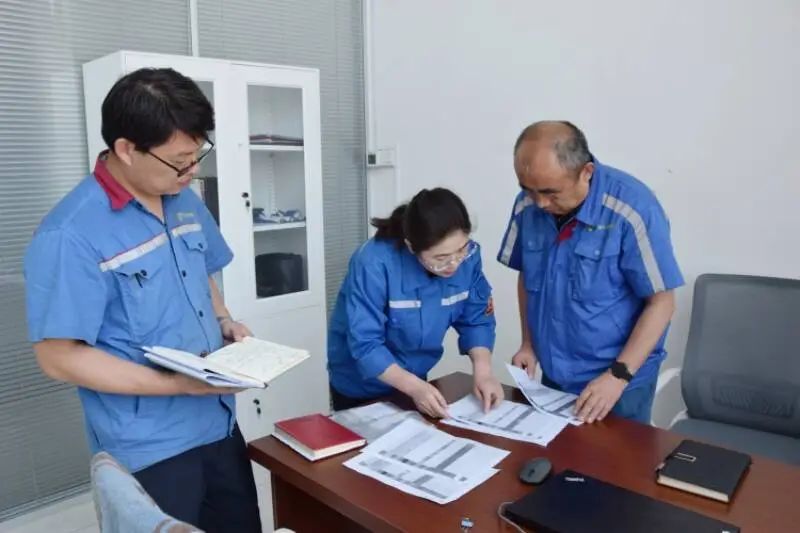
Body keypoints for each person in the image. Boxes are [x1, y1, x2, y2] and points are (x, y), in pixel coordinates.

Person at [24, 68, 260, 531]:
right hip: (150, 448)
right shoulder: (70, 235)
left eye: (198, 155)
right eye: (180, 161)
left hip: (218, 421)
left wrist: (224, 321)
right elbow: (58, 358)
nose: (192, 171)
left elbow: (200, 272)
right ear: (126, 149)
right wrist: (179, 385)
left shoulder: (183, 198)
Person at [499, 121, 683, 424]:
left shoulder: (632, 209)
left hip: (619, 381)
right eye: (528, 189)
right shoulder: (527, 205)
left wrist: (617, 376)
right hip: (555, 374)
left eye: (550, 192)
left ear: (586, 172)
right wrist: (528, 344)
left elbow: (662, 302)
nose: (540, 203)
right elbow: (528, 276)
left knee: (617, 456)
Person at [327, 188, 504, 418]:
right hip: (361, 386)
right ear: (412, 247)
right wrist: (414, 387)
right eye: (440, 258)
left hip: (415, 378)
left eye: (461, 250)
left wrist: (483, 372)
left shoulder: (467, 259)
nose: (454, 264)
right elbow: (366, 344)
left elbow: (477, 319)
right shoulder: (374, 264)